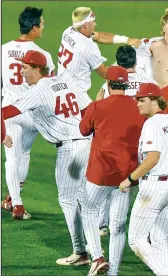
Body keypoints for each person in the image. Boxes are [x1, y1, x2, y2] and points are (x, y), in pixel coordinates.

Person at [1, 50, 92, 265]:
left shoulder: (38, 91)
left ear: (36, 69)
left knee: (68, 200)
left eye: (25, 67)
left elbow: (5, 112)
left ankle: (81, 252)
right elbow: (89, 108)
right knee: (84, 199)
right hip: (88, 144)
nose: (21, 72)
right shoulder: (65, 80)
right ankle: (93, 248)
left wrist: (2, 135)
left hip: (69, 150)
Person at [79, 66, 144, 276]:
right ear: (126, 85)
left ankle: (97, 257)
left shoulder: (98, 106)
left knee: (88, 209)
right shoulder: (138, 107)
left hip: (101, 172)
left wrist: (93, 105)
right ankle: (113, 272)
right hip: (128, 174)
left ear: (108, 84)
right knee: (118, 225)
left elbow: (83, 130)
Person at [119, 83, 168, 276]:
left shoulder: (152, 123)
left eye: (142, 100)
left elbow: (152, 158)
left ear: (155, 101)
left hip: (155, 186)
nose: (137, 104)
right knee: (160, 239)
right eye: (137, 100)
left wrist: (130, 179)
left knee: (136, 239)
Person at [96, 45, 156, 239]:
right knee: (143, 182)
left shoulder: (110, 83)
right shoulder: (147, 80)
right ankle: (145, 229)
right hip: (143, 138)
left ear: (117, 62)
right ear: (135, 61)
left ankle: (102, 224)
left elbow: (99, 104)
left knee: (109, 182)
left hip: (115, 140)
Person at [1, 6, 55, 219]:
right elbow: (50, 83)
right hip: (33, 113)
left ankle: (17, 204)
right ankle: (11, 200)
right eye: (41, 23)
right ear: (34, 28)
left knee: (12, 158)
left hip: (11, 111)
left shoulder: (3, 50)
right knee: (24, 154)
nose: (43, 26)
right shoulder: (43, 55)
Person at [57, 7, 141, 95]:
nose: (95, 24)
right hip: (75, 94)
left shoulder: (69, 31)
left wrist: (126, 40)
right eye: (92, 21)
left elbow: (99, 36)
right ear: (85, 25)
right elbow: (105, 73)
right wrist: (124, 64)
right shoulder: (87, 46)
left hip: (60, 85)